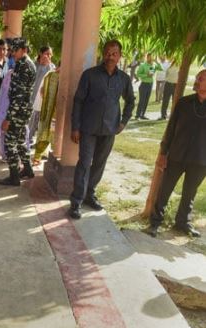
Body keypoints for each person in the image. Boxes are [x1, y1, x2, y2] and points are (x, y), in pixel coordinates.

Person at [68, 40, 135, 219]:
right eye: (108, 52)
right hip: (88, 128)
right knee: (84, 163)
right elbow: (78, 101)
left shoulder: (124, 79)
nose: (110, 56)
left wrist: (123, 122)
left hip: (110, 128)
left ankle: (90, 194)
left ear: (120, 56)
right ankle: (76, 202)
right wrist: (75, 127)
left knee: (99, 164)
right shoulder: (89, 75)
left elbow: (130, 101)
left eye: (114, 53)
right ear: (103, 54)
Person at [146, 69, 206, 238]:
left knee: (190, 192)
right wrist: (163, 153)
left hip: (201, 159)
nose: (197, 80)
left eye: (201, 79)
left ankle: (182, 223)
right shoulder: (183, 103)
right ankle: (155, 223)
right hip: (177, 155)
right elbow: (170, 129)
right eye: (197, 77)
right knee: (165, 189)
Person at [0, 37, 36, 186]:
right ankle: (27, 169)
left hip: (18, 112)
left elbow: (18, 97)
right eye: (12, 50)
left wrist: (8, 118)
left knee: (9, 143)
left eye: (16, 50)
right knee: (20, 142)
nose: (13, 53)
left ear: (24, 50)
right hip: (22, 111)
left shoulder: (24, 66)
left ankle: (14, 176)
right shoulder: (23, 63)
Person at [27, 46, 56, 147]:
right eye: (46, 53)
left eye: (50, 54)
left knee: (42, 124)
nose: (48, 56)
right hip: (31, 100)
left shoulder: (52, 67)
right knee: (30, 123)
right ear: (40, 53)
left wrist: (48, 66)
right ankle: (27, 141)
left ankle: (39, 145)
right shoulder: (34, 66)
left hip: (44, 102)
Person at [32, 67, 61, 165]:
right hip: (49, 112)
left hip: (60, 114)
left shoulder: (68, 77)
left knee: (56, 137)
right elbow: (42, 91)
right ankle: (37, 156)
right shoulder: (51, 76)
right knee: (44, 134)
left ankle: (53, 157)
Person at [135, 53, 162, 120]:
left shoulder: (154, 65)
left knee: (146, 100)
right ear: (147, 58)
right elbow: (138, 74)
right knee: (142, 100)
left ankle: (142, 115)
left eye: (152, 57)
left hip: (150, 85)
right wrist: (146, 75)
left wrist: (157, 62)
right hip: (144, 84)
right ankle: (137, 115)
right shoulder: (143, 65)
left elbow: (161, 69)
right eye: (149, 57)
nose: (151, 59)